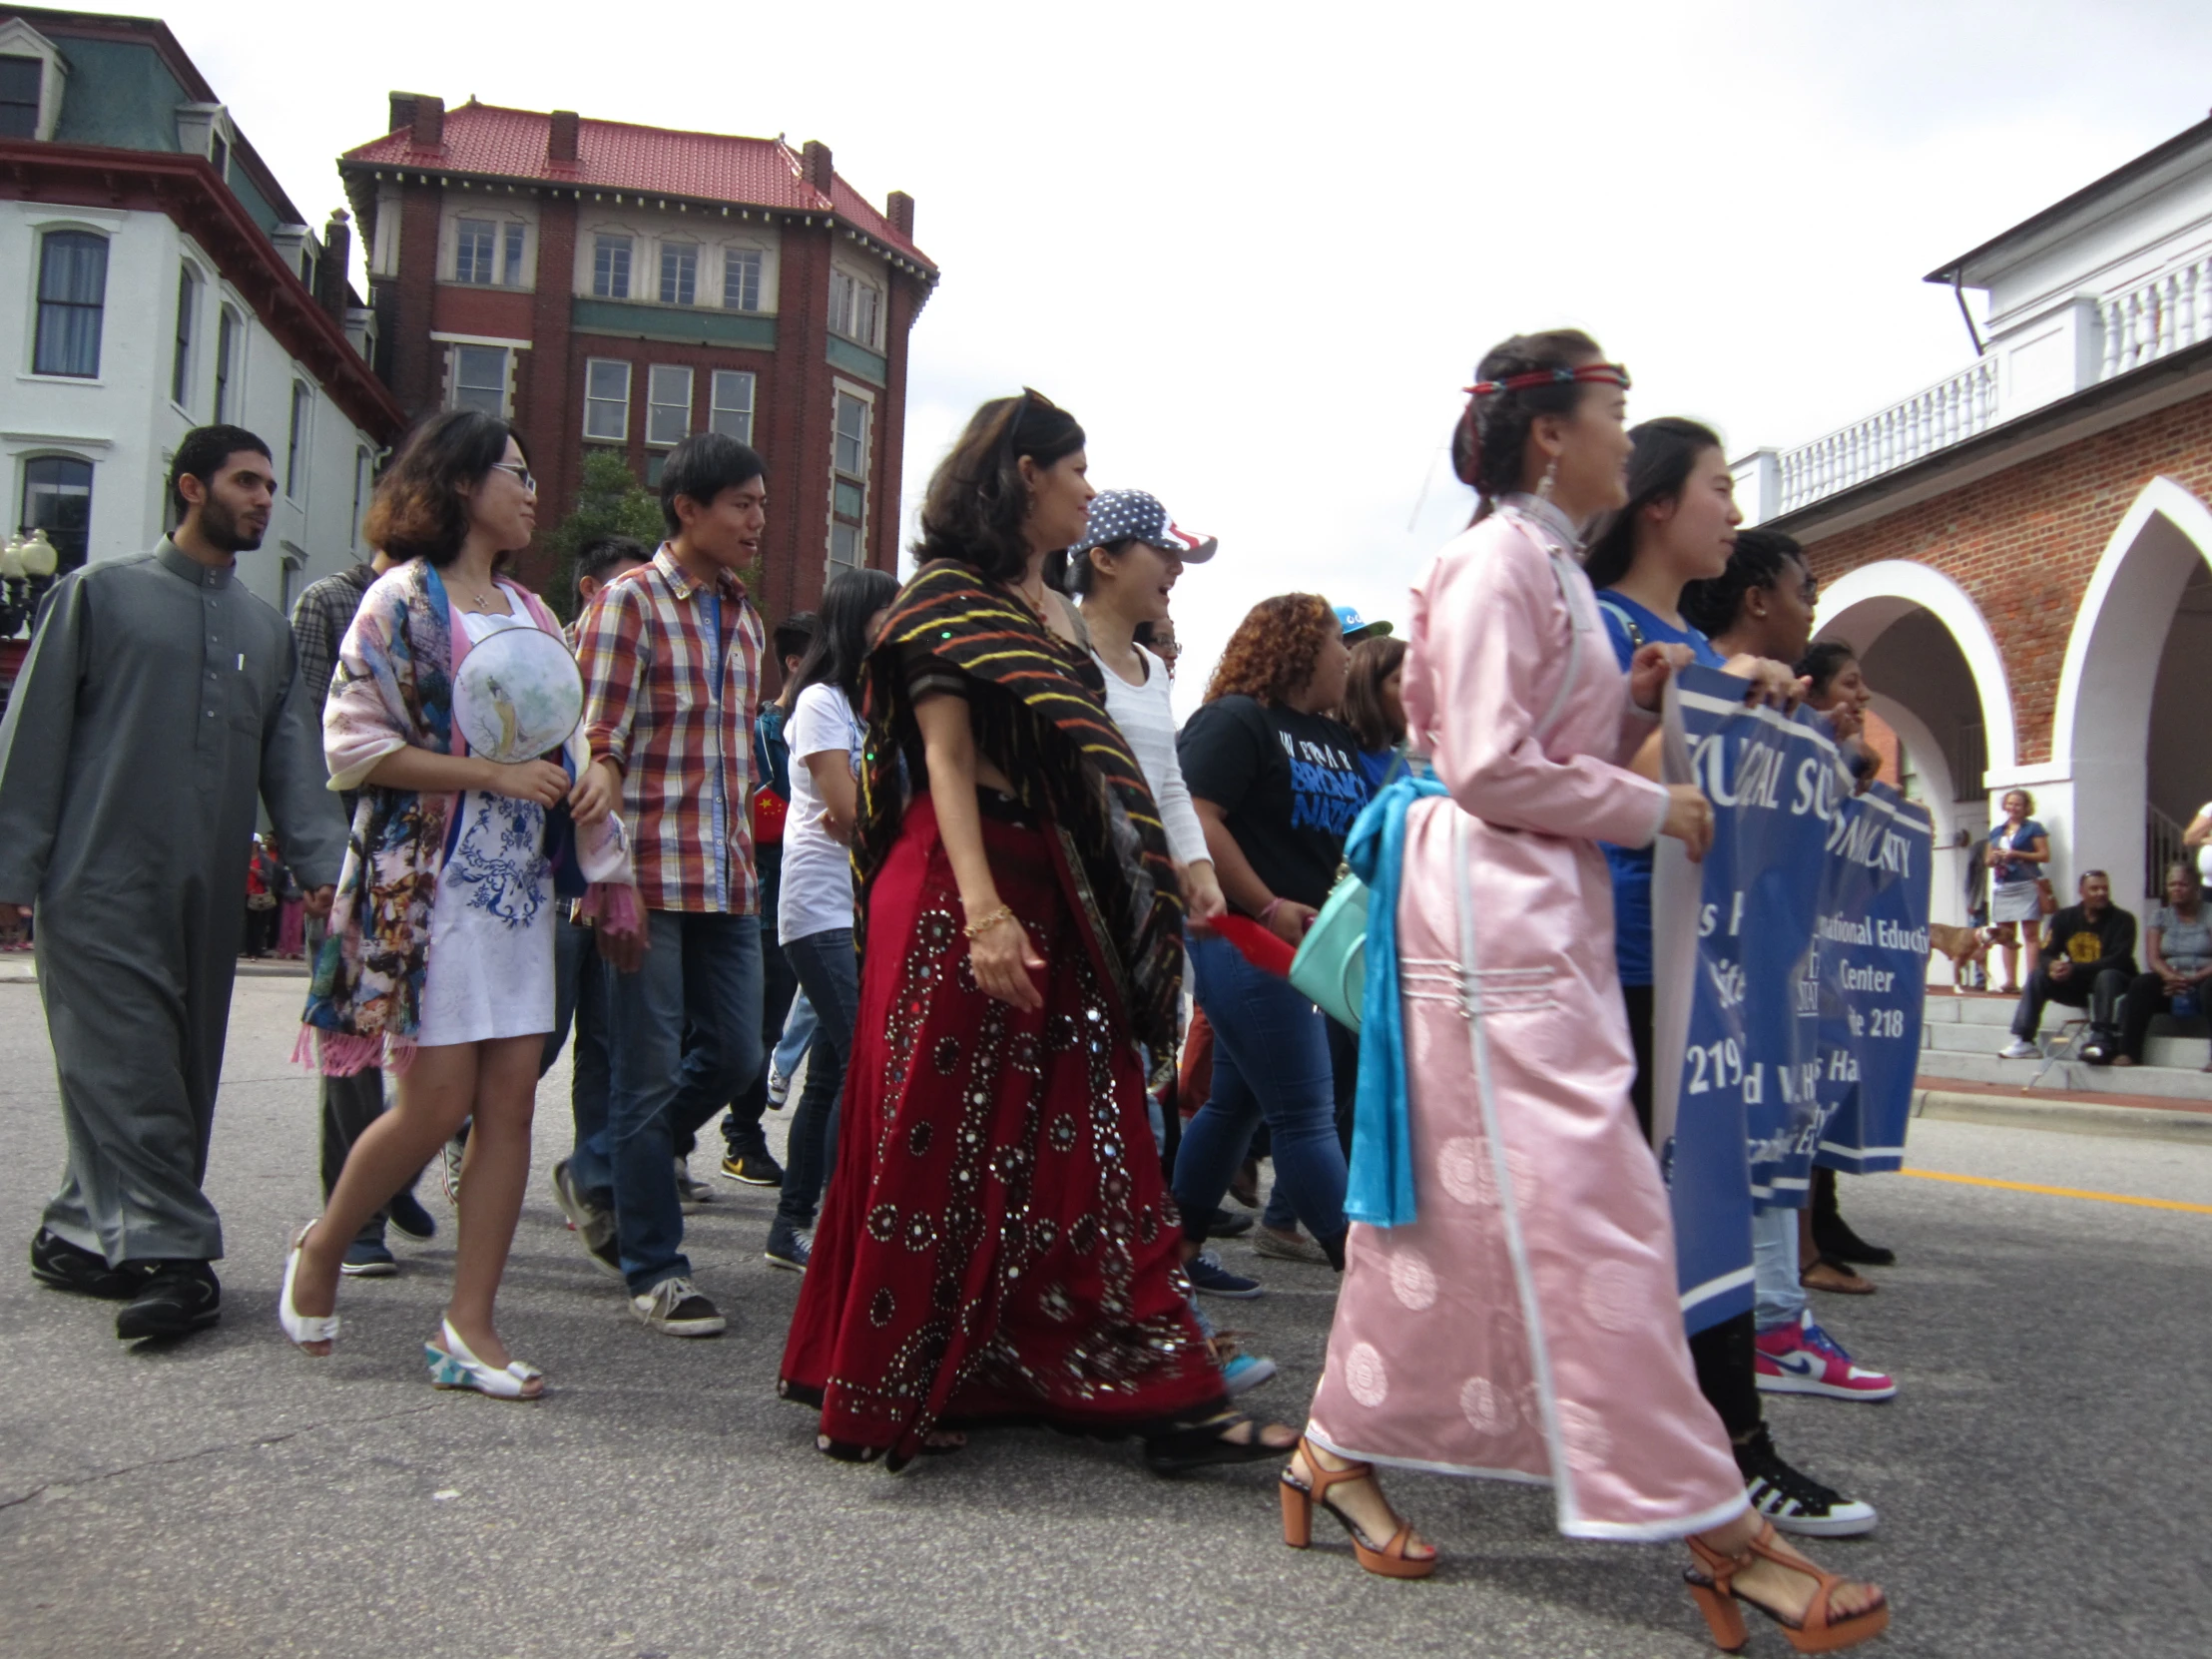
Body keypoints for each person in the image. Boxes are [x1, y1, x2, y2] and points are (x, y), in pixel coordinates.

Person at [1291, 330, 1887, 1653]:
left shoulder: (1545, 560)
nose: (1632, 437)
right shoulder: (1502, 558)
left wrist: (1630, 714)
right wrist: (1650, 797)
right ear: (1553, 434)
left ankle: (1332, 1442)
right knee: (1605, 1207)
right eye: (1615, 414)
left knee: (1473, 1208)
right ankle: (1716, 1524)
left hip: (1523, 907)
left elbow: (1538, 754)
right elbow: (1497, 768)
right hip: (1494, 914)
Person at [780, 389, 1286, 1472]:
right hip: (956, 886)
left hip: (1057, 886)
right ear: (1022, 472)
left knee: (1082, 1125)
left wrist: (1152, 876)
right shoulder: (945, 600)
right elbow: (947, 765)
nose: (1087, 490)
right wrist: (984, 913)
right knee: (936, 1133)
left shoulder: (1054, 608)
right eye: (1076, 469)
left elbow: (1100, 768)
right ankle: (893, 1382)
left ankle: (1144, 1380)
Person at [285, 411, 632, 1397]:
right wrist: (485, 773)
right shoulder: (401, 600)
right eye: (512, 473)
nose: (531, 489)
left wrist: (592, 772)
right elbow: (351, 746)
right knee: (434, 1104)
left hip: (519, 890)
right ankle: (323, 1247)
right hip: (426, 889)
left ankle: (469, 1327)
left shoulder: (528, 607)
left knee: (509, 1108)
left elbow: (563, 734)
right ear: (458, 483)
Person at [1588, 433, 1895, 1522]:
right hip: (1632, 959)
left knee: (1679, 1206)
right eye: (1717, 488)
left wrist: (1767, 724)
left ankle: (1694, 1446)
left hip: (1702, 959)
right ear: (1656, 505)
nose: (1733, 510)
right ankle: (1724, 1457)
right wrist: (1716, 713)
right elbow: (1592, 776)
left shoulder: (1676, 635)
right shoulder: (1607, 627)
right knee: (1672, 1205)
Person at [0, 424, 346, 1342]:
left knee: (181, 1074)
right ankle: (179, 1255)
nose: (263, 499)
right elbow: (31, 740)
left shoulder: (263, 631)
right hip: (95, 882)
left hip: (206, 897)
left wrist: (326, 873)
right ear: (191, 487)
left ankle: (80, 1231)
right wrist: (11, 874)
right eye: (245, 481)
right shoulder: (95, 596)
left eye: (270, 484)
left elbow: (295, 770)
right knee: (132, 1071)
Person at [569, 431, 770, 1337]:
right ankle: (656, 1265)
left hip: (725, 879)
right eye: (743, 504)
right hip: (644, 877)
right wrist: (601, 841)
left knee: (737, 1057)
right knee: (643, 1076)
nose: (757, 520)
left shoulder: (745, 616)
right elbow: (594, 733)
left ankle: (604, 1165)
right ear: (688, 509)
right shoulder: (629, 604)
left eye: (762, 504)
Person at [1688, 534, 1896, 1286]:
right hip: (1706, 965)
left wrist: (1837, 766)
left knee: (1775, 1122)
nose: (1813, 607)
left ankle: (1773, 1305)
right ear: (1758, 599)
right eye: (1805, 590)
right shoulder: (1699, 684)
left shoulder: (1787, 717)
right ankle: (1755, 1306)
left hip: (1770, 962)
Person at [1172, 594, 1368, 1286]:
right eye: (1335, 644)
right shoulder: (1236, 720)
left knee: (1238, 1101)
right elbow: (1195, 815)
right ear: (1298, 649)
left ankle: (1181, 1253)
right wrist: (1266, 903)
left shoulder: (1333, 736)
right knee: (1306, 1112)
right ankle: (1367, 1271)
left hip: (1307, 947)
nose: (1347, 657)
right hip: (1246, 938)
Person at [290, 544, 440, 1275]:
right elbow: (305, 729)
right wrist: (317, 854)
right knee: (354, 1039)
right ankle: (354, 1223)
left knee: (462, 1049)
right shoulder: (339, 598)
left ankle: (391, 1173)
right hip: (361, 844)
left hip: (445, 857)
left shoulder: (477, 599)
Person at [763, 566, 899, 1271]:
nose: (898, 625)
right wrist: (879, 819)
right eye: (888, 614)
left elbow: (867, 813)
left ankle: (793, 1225)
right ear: (856, 621)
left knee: (829, 1074)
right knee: (862, 1061)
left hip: (866, 909)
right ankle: (849, 1217)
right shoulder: (820, 701)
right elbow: (848, 813)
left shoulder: (876, 705)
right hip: (818, 908)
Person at [545, 535, 653, 1277]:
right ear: (591, 590)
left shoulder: (646, 651)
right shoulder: (548, 657)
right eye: (620, 587)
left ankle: (597, 1182)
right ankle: (460, 1130)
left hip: (624, 876)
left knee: (610, 1043)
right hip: (562, 880)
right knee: (541, 1038)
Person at [718, 607, 818, 1187]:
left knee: (766, 1030)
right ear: (796, 663)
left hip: (789, 906)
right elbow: (762, 814)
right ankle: (717, 1141)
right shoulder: (758, 732)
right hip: (751, 899)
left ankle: (742, 1139)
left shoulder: (835, 725)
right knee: (729, 1035)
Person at [1999, 870, 2138, 1061]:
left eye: (2105, 888)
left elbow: (2118, 959)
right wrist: (2052, 966)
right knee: (2038, 975)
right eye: (2094, 888)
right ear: (2082, 891)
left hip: (2115, 984)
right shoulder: (2064, 917)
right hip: (2078, 984)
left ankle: (2101, 1039)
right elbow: (2045, 952)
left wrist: (2075, 968)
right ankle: (2024, 1040)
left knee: (2107, 975)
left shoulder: (2124, 920)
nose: (2101, 893)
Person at [2118, 862, 2212, 1069]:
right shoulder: (2160, 916)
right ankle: (2129, 1052)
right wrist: (2171, 977)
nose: (2176, 889)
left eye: (2182, 884)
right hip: (2171, 981)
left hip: (2204, 979)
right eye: (2172, 885)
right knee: (2142, 984)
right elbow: (2154, 958)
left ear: (2196, 887)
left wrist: (2194, 978)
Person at [1983, 790, 2049, 995]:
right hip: (2004, 884)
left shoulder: (2034, 828)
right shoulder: (1996, 831)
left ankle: (2032, 981)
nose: (2013, 808)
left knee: (2030, 934)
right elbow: (1987, 860)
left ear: (2026, 807)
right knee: (2005, 935)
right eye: (2010, 804)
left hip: (2026, 883)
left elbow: (2044, 855)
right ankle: (2010, 980)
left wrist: (2015, 853)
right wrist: (1996, 858)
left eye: (2018, 804)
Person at [1337, 635, 1412, 791]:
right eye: (1401, 680)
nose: (1414, 692)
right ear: (1368, 689)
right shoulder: (1342, 760)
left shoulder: (1398, 762)